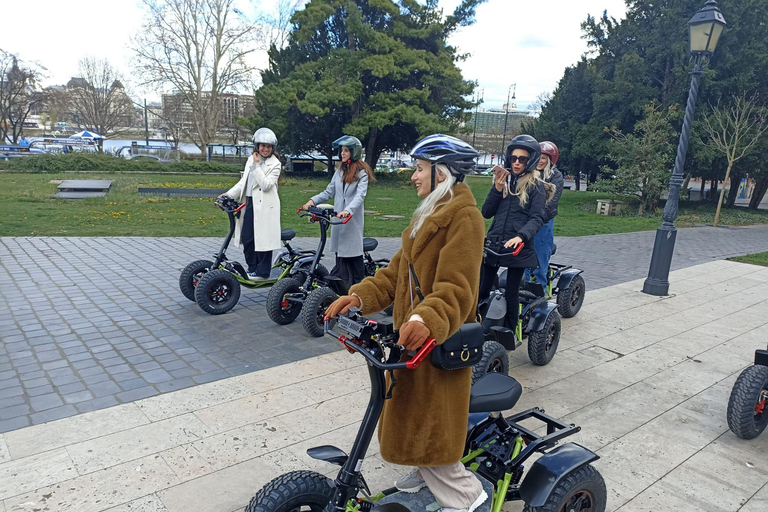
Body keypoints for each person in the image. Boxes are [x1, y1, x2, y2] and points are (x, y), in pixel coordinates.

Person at [325, 135, 488, 512]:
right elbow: (394, 274)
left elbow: (457, 288)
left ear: (441, 173)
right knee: (415, 417)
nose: (413, 176)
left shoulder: (464, 218)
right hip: (413, 344)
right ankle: (423, 464)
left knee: (433, 429)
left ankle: (469, 499)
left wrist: (425, 319)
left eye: (419, 168)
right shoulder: (429, 214)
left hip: (436, 345)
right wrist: (358, 298)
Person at [479, 134, 547, 334]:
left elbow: (537, 218)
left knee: (511, 292)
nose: (516, 163)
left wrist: (521, 236)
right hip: (495, 243)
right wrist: (497, 190)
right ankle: (477, 324)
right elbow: (486, 212)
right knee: (482, 289)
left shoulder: (536, 187)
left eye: (522, 159)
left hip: (518, 246)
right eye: (513, 158)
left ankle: (510, 330)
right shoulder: (503, 181)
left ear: (531, 160)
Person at [301, 135, 375, 288]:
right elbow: (329, 192)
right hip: (337, 220)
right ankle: (340, 288)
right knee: (340, 254)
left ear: (354, 152)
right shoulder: (339, 171)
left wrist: (348, 211)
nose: (342, 153)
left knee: (352, 256)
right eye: (342, 150)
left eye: (346, 151)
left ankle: (356, 288)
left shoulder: (361, 173)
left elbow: (360, 196)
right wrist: (312, 201)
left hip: (350, 220)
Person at [219, 128, 282, 281]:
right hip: (249, 203)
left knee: (263, 241)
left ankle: (263, 272)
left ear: (272, 148)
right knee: (248, 238)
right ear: (257, 145)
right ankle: (252, 268)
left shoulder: (275, 164)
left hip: (266, 207)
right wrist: (228, 194)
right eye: (262, 146)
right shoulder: (250, 159)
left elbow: (266, 185)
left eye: (268, 146)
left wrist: (256, 166)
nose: (265, 149)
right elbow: (243, 183)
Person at [524, 141, 564, 294]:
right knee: (523, 254)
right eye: (538, 157)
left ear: (550, 160)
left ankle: (540, 288)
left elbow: (552, 202)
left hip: (543, 222)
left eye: (544, 158)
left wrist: (536, 217)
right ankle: (524, 285)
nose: (540, 160)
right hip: (526, 221)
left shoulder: (556, 176)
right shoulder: (528, 173)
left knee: (541, 254)